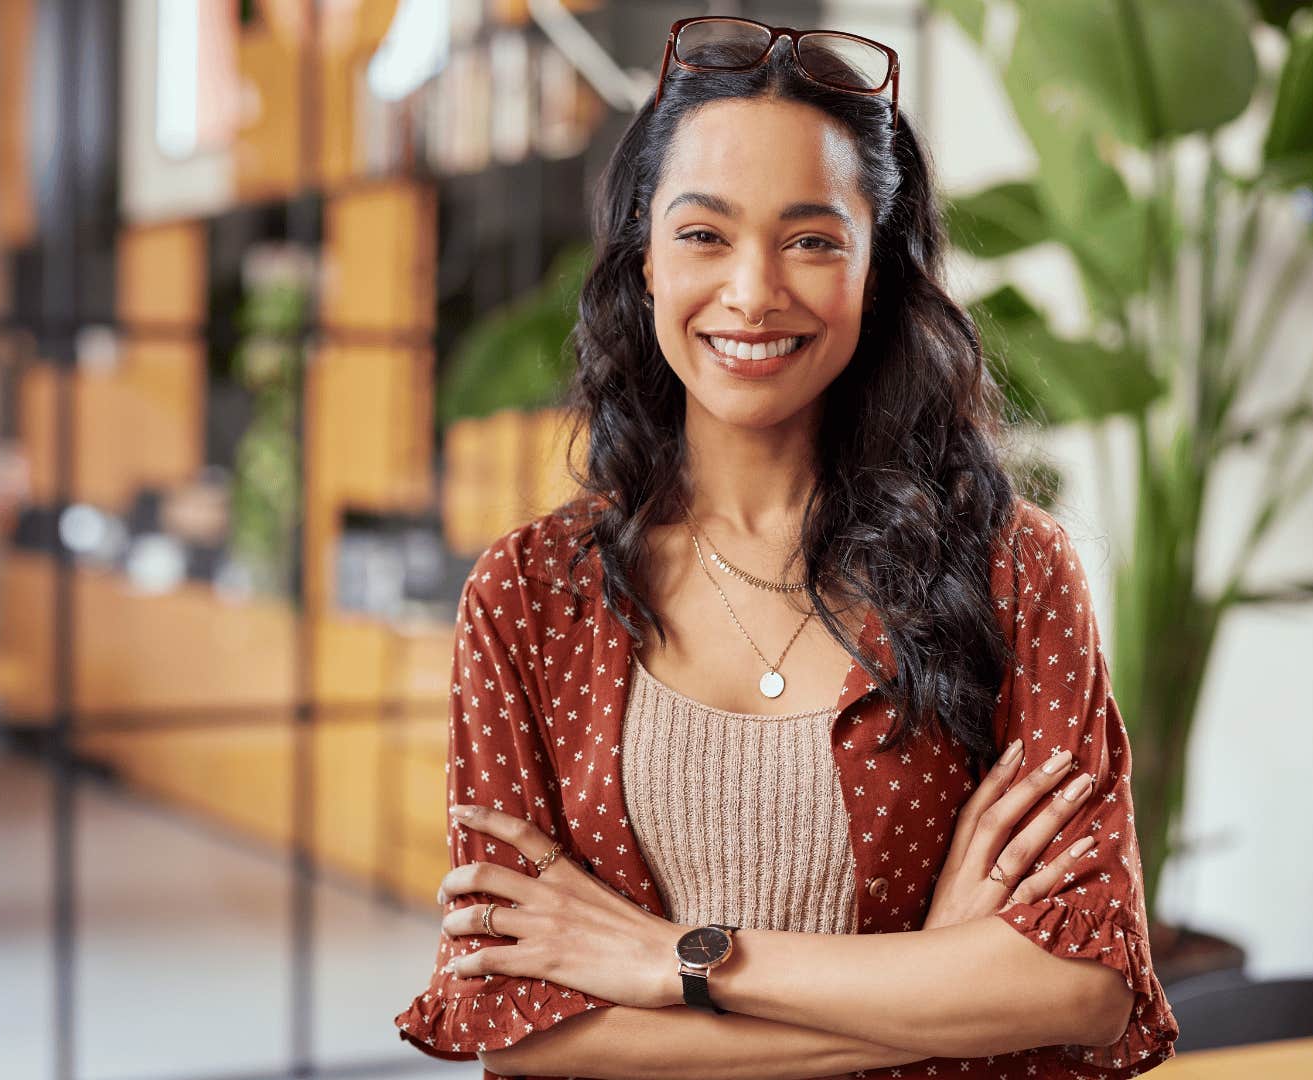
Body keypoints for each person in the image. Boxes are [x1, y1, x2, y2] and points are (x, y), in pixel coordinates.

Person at [394, 15, 1179, 1079]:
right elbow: (520, 1032)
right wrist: (932, 977)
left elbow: (1085, 988)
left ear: (877, 270)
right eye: (703, 234)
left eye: (812, 239)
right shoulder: (529, 597)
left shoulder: (1010, 570)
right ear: (642, 262)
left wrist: (676, 961)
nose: (754, 291)